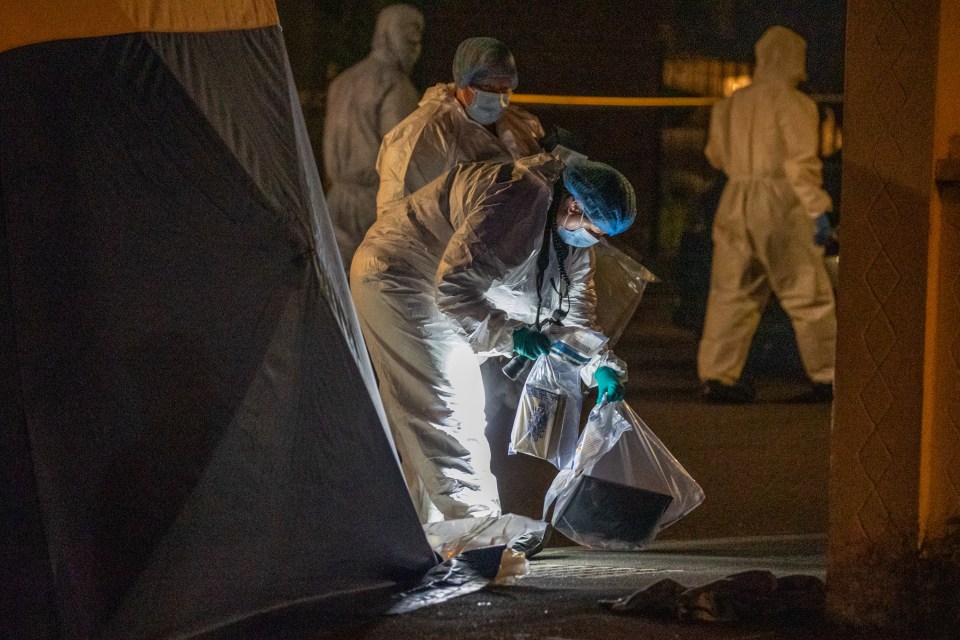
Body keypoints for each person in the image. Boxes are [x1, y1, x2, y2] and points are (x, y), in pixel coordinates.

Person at [351, 154, 636, 522]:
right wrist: (510, 335)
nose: (593, 240)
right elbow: (454, 288)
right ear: (574, 204)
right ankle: (478, 532)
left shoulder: (572, 243)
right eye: (595, 230)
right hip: (399, 278)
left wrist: (598, 365)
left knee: (444, 413)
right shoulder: (519, 202)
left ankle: (433, 534)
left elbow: (575, 314)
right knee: (448, 409)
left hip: (436, 291)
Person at [697, 26, 836, 403]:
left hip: (735, 199)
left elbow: (716, 157)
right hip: (781, 205)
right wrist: (818, 210)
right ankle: (829, 375)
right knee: (807, 293)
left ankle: (718, 377)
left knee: (731, 293)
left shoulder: (730, 104)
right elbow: (800, 165)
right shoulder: (796, 105)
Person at [374, 36, 544, 214]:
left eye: (505, 90)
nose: (498, 97)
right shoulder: (422, 135)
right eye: (488, 89)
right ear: (463, 82)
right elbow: (397, 220)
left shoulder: (520, 124)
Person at [323, 4, 424, 270]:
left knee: (334, 282)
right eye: (410, 41)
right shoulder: (396, 86)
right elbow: (402, 159)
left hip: (334, 202)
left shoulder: (342, 81)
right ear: (389, 36)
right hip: (373, 205)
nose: (415, 50)